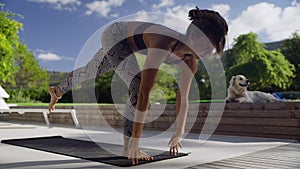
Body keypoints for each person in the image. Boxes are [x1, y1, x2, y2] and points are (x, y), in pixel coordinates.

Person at [49, 8, 228, 165]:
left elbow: (183, 97)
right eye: (205, 46)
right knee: (137, 83)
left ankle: (57, 90)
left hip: (129, 46)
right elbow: (143, 92)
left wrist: (179, 132)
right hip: (116, 35)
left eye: (211, 49)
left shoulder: (190, 63)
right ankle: (128, 148)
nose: (206, 53)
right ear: (193, 36)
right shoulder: (163, 42)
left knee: (91, 70)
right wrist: (135, 139)